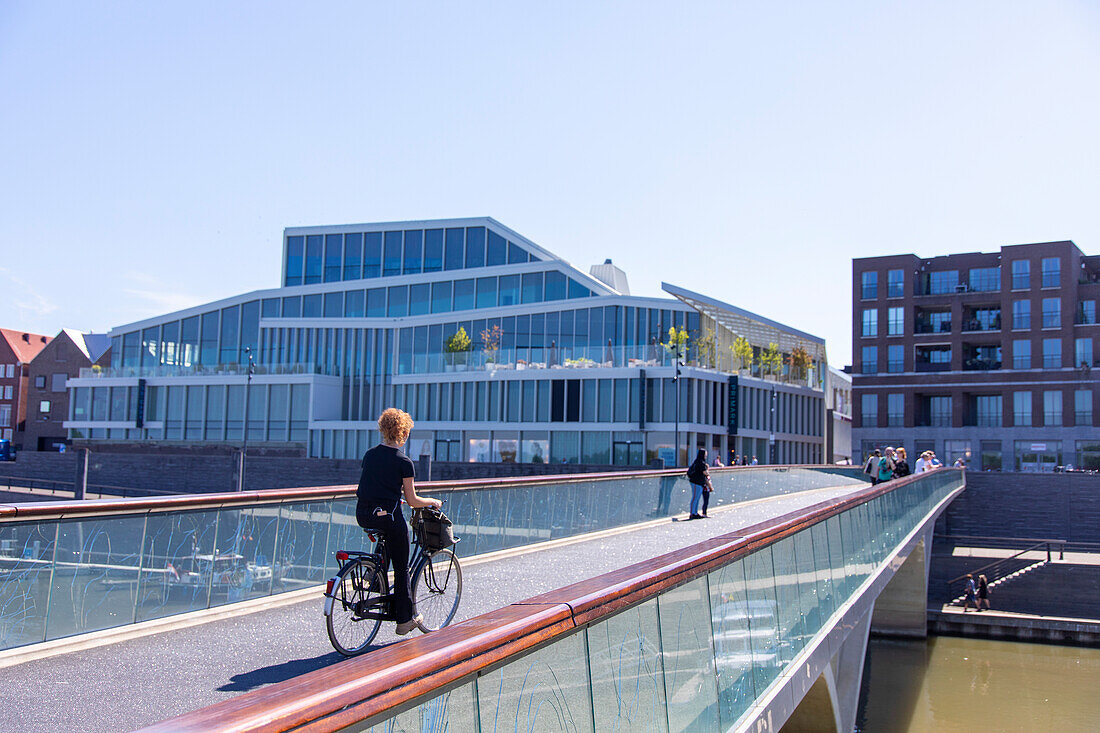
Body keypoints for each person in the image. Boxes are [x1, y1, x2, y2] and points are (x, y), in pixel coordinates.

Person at [356, 408, 443, 636]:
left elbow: (375, 485)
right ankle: (405, 620)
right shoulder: (404, 462)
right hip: (390, 517)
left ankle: (373, 576)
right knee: (402, 567)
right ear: (403, 433)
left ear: (383, 429)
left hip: (364, 513)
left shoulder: (369, 455)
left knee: (387, 538)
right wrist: (431, 501)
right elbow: (413, 500)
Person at [686, 449, 713, 519]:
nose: (706, 456)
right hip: (696, 482)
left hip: (696, 482)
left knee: (696, 498)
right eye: (705, 454)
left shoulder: (697, 461)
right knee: (695, 498)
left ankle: (695, 512)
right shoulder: (701, 463)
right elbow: (705, 472)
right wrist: (707, 472)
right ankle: (692, 513)